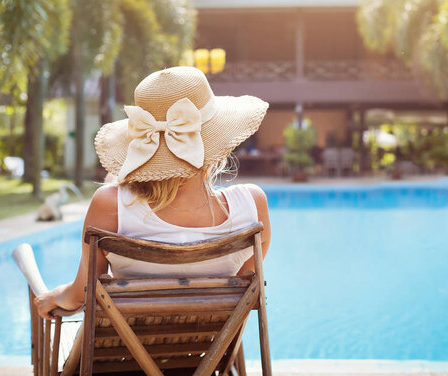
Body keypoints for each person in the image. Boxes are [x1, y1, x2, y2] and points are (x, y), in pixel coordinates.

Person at [35, 67, 271, 320]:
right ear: (218, 143)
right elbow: (240, 292)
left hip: (126, 352)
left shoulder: (109, 205)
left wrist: (57, 295)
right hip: (211, 351)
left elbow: (83, 294)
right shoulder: (251, 205)